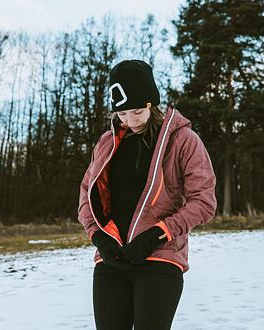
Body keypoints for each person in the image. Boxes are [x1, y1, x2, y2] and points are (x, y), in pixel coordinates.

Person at [78, 59, 217, 330]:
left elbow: (204, 201)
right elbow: (86, 193)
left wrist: (156, 234)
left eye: (137, 112)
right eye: (122, 114)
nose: (130, 121)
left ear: (152, 104)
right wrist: (98, 237)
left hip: (160, 258)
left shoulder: (183, 140)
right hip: (112, 259)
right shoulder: (107, 144)